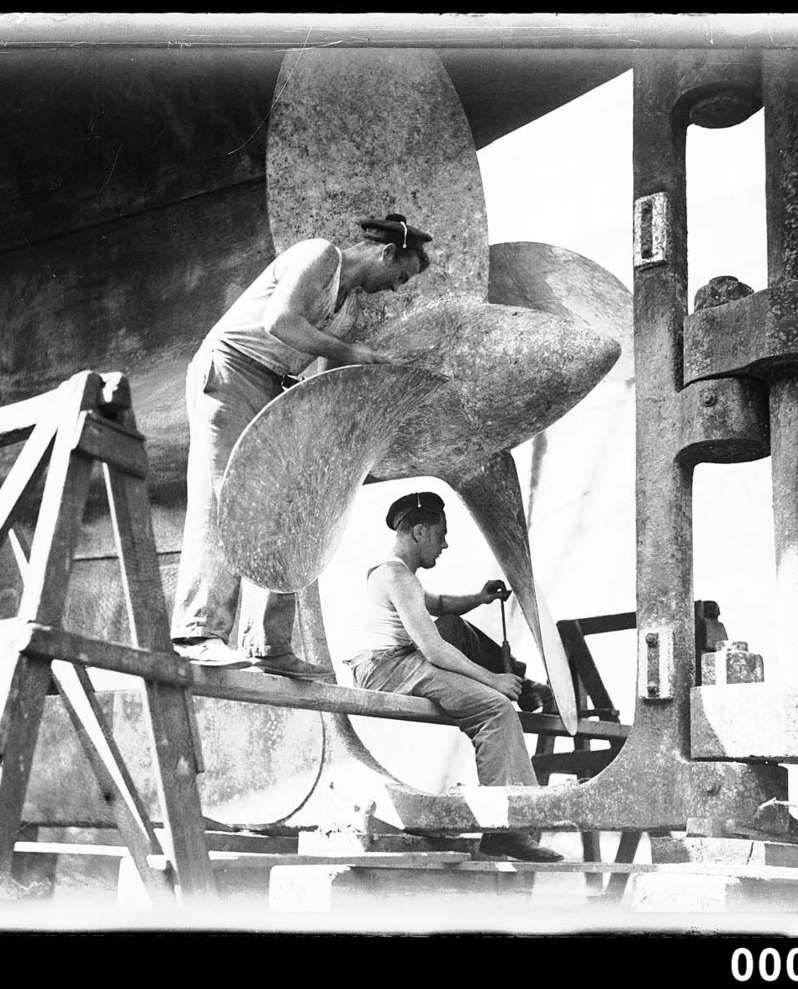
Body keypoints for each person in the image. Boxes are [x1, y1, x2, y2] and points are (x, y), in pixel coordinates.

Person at [171, 213, 433, 680]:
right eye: (402, 275)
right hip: (231, 370)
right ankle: (197, 631)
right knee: (224, 498)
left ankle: (267, 646)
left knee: (291, 509)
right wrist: (353, 353)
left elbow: (321, 373)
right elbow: (280, 322)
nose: (396, 286)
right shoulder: (320, 255)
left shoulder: (347, 306)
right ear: (388, 252)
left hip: (276, 386)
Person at [346, 490, 563, 863]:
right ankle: (504, 831)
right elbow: (433, 651)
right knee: (495, 710)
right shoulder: (396, 577)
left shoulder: (399, 575)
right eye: (440, 533)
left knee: (453, 625)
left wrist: (479, 598)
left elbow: (442, 607)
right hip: (385, 668)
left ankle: (524, 687)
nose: (445, 544)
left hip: (392, 661)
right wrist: (494, 682)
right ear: (418, 532)